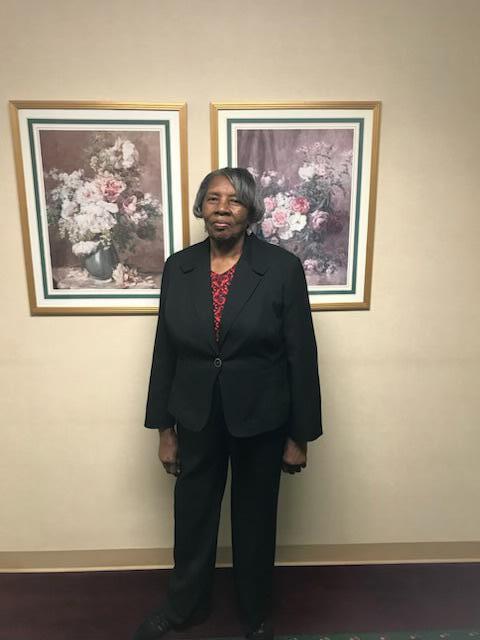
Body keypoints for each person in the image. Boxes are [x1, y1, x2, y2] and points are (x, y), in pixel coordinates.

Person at [134, 167, 322, 640]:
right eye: (213, 198)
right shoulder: (179, 268)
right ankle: (184, 606)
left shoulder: (281, 268)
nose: (222, 209)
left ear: (250, 211)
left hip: (262, 417)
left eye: (234, 200)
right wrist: (164, 430)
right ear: (201, 207)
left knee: (255, 519)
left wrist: (299, 436)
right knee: (192, 517)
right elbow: (165, 351)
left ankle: (255, 612)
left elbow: (301, 355)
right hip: (195, 415)